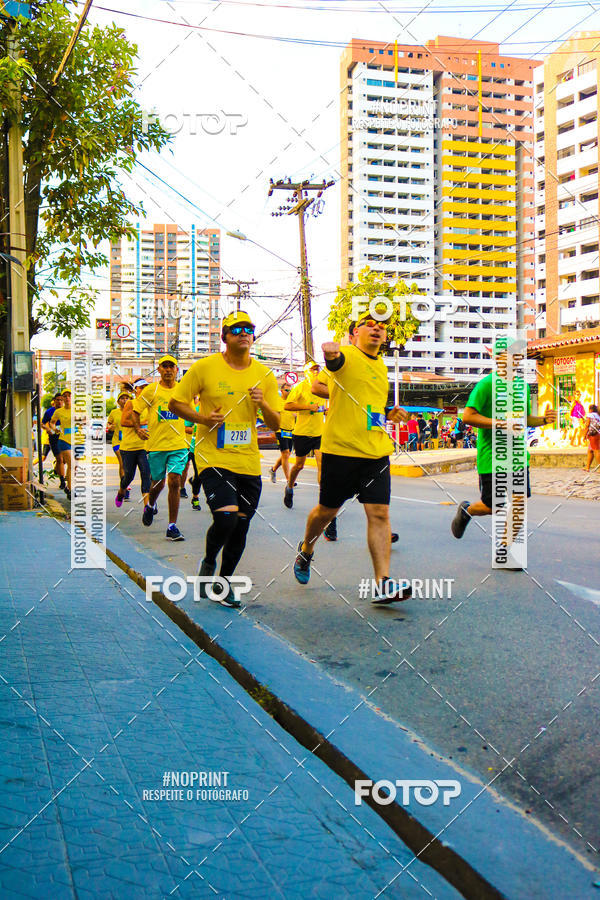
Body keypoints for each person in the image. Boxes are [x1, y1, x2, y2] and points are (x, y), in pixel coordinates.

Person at [293, 312, 411, 605]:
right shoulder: (346, 354)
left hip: (375, 452)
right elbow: (335, 365)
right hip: (341, 451)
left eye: (382, 327)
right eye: (369, 325)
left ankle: (383, 582)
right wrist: (330, 355)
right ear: (354, 333)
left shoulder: (381, 366)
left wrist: (389, 413)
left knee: (380, 514)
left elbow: (372, 406)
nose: (377, 329)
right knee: (326, 512)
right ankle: (306, 548)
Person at [169, 310, 281, 608]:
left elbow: (276, 423)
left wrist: (264, 404)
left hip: (248, 461)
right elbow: (176, 402)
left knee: (241, 525)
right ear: (225, 337)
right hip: (212, 456)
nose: (244, 333)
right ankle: (208, 560)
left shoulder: (265, 374)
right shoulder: (205, 367)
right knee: (227, 516)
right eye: (236, 329)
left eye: (249, 328)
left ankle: (224, 581)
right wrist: (204, 418)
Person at [450, 338, 557, 567]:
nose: (516, 358)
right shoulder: (487, 384)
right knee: (493, 506)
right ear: (498, 357)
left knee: (519, 504)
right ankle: (467, 510)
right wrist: (500, 423)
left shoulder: (522, 386)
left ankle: (505, 551)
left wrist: (543, 420)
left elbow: (525, 418)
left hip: (518, 456)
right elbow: (468, 416)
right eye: (511, 354)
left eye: (519, 354)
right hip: (493, 457)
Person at [132, 355, 188, 541]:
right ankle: (151, 505)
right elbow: (135, 410)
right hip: (156, 446)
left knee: (174, 481)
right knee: (158, 483)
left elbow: (191, 412)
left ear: (176, 370)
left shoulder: (183, 390)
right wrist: (138, 429)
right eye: (164, 366)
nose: (168, 370)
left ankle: (172, 526)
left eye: (171, 366)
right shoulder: (151, 391)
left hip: (179, 445)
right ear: (159, 370)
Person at [283, 362, 325, 509]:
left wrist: (325, 410)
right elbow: (287, 405)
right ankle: (289, 487)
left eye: (317, 369)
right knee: (299, 465)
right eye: (312, 369)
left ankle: (324, 501)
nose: (315, 371)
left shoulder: (322, 387)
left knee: (322, 465)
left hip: (319, 433)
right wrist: (308, 407)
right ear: (305, 372)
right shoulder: (300, 387)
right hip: (302, 433)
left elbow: (324, 405)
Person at [115, 378, 151, 508]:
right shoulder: (131, 403)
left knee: (146, 474)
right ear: (136, 390)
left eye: (146, 387)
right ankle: (121, 491)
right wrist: (142, 423)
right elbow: (124, 422)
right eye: (141, 388)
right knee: (129, 476)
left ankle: (147, 505)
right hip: (129, 447)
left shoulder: (149, 404)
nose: (144, 390)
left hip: (144, 447)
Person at [49, 390, 72, 500]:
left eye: (69, 396)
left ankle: (68, 486)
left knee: (74, 466)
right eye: (65, 396)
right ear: (62, 399)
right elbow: (52, 422)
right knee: (71, 464)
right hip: (63, 440)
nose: (67, 398)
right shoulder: (59, 412)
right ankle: (71, 490)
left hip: (76, 441)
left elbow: (85, 421)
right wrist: (55, 429)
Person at [270, 384, 295, 484]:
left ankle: (273, 470)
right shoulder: (278, 402)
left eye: (290, 391)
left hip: (290, 431)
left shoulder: (293, 403)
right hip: (280, 430)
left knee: (287, 454)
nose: (288, 392)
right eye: (286, 390)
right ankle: (289, 480)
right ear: (282, 390)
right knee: (285, 453)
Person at [42, 393, 66, 489]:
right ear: (54, 401)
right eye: (58, 400)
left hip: (65, 437)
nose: (59, 401)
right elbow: (42, 423)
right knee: (60, 459)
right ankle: (62, 481)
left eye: (61, 400)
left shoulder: (67, 411)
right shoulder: (49, 412)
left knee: (64, 460)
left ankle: (57, 468)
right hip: (54, 437)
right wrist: (48, 430)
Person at [107, 393, 128, 481]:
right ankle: (124, 485)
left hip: (129, 442)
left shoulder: (133, 411)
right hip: (117, 442)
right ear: (118, 401)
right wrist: (110, 427)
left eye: (127, 398)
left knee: (128, 464)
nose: (125, 400)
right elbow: (108, 424)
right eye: (122, 398)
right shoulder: (114, 412)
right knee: (122, 462)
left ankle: (125, 482)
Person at [583, 403, 600, 472]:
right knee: (590, 450)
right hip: (598, 434)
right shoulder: (598, 416)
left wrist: (584, 435)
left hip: (593, 435)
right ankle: (587, 467)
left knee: (596, 451)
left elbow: (587, 425)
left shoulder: (590, 415)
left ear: (590, 409)